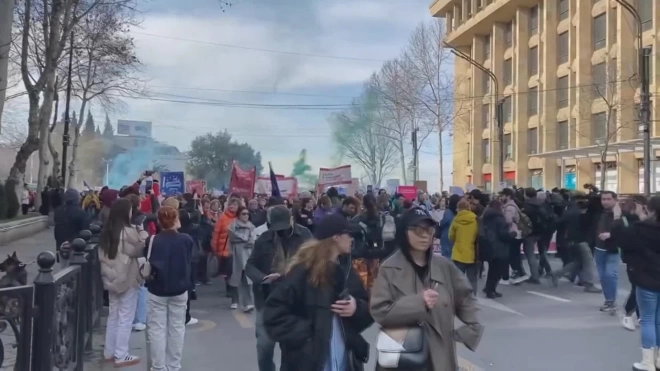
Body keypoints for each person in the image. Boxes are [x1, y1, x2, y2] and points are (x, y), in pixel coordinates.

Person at [370, 207, 483, 371]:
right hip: (404, 355)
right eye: (417, 230)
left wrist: (473, 327)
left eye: (429, 230)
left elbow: (465, 297)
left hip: (440, 355)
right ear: (404, 232)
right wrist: (418, 303)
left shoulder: (444, 267)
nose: (424, 235)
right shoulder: (389, 268)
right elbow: (380, 312)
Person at [263, 213, 373, 371]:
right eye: (348, 234)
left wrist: (356, 308)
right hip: (309, 362)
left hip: (344, 362)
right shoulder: (302, 273)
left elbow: (368, 310)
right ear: (335, 237)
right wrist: (309, 334)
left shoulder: (347, 271)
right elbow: (273, 316)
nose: (351, 239)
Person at [245, 205, 312, 371]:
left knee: (290, 349)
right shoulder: (265, 238)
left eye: (283, 227)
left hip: (294, 300)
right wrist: (263, 278)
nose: (280, 232)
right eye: (276, 228)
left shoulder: (305, 236)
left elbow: (316, 264)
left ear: (291, 220)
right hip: (267, 299)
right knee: (264, 346)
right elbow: (250, 266)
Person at [612, 196, 660, 371]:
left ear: (650, 209)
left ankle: (647, 362)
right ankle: (658, 359)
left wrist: (617, 218)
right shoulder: (643, 228)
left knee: (647, 319)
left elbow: (620, 239)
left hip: (646, 279)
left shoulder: (639, 229)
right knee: (659, 321)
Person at [99, 198, 148, 367]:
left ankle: (109, 351)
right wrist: (142, 231)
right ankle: (121, 354)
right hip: (126, 277)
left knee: (113, 315)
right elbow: (140, 248)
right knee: (126, 317)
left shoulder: (107, 231)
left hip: (111, 278)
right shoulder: (128, 232)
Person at [145, 206, 195, 371]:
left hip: (157, 288)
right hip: (179, 287)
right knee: (177, 328)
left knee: (157, 329)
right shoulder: (186, 239)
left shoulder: (152, 240)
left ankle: (158, 366)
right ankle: (174, 365)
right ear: (176, 220)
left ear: (159, 221)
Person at [480, 199, 515, 298]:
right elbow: (503, 234)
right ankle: (490, 290)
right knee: (497, 271)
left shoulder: (485, 217)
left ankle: (489, 289)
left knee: (492, 269)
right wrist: (512, 234)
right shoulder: (499, 219)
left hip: (489, 246)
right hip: (499, 247)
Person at [594, 191, 621, 313]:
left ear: (615, 199)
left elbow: (626, 229)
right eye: (603, 199)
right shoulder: (601, 212)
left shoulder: (620, 213)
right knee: (603, 276)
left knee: (610, 274)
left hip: (613, 248)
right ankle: (609, 300)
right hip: (599, 248)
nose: (605, 201)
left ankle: (611, 301)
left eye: (608, 199)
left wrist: (611, 234)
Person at [228, 206, 256, 311]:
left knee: (247, 278)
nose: (246, 216)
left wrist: (250, 241)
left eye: (247, 214)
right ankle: (234, 300)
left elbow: (253, 239)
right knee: (235, 277)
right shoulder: (233, 224)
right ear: (238, 215)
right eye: (243, 214)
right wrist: (245, 239)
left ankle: (248, 303)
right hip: (236, 253)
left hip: (248, 254)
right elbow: (232, 236)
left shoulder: (251, 226)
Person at [449, 200, 479, 294]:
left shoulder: (456, 220)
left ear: (458, 208)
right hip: (472, 254)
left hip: (458, 254)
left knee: (458, 279)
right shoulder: (475, 219)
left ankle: (459, 299)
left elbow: (450, 236)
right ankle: (473, 298)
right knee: (472, 279)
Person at [54, 189, 90, 260]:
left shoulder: (58, 210)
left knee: (64, 268)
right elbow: (85, 231)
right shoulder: (81, 213)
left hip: (61, 244)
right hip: (76, 246)